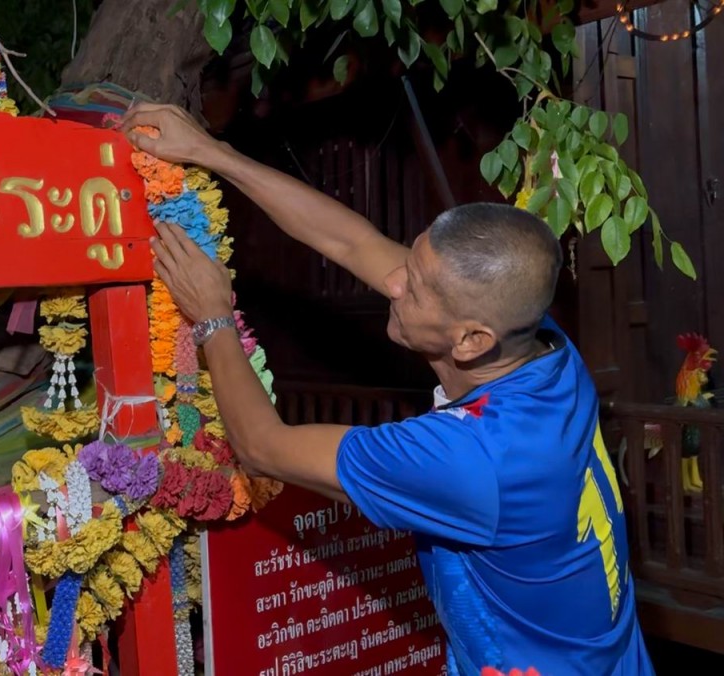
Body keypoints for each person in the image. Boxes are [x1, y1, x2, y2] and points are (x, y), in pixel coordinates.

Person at [120, 102, 654, 676]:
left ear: (472, 341)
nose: (393, 282)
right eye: (412, 258)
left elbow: (262, 447)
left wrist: (213, 317)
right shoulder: (545, 349)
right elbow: (354, 243)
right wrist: (209, 151)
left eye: (416, 289)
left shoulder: (471, 459)